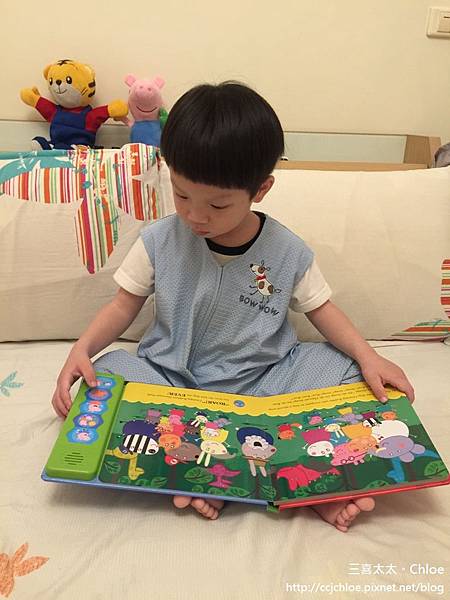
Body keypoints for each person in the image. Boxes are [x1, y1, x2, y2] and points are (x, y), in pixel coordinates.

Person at [52, 82, 415, 532]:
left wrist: (369, 356)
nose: (195, 216)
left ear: (260, 190)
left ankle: (313, 488)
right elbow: (123, 305)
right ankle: (194, 471)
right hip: (173, 383)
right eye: (182, 195)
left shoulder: (287, 251)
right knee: (106, 369)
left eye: (218, 204)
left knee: (346, 366)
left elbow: (322, 311)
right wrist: (82, 349)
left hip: (263, 385)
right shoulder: (159, 240)